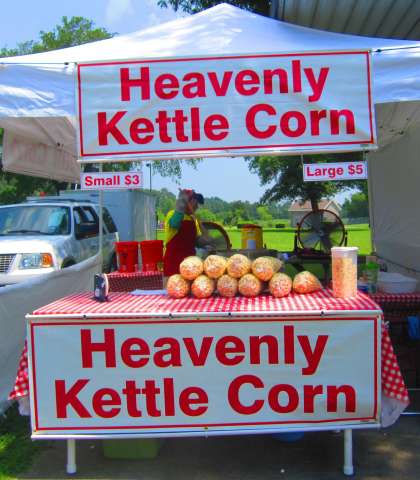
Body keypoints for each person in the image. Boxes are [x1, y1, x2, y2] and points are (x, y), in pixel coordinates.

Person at [163, 189, 213, 277]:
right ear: (187, 202)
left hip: (190, 267)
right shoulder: (172, 214)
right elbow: (174, 224)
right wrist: (181, 202)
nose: (197, 206)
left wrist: (204, 242)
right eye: (195, 202)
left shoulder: (193, 220)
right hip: (173, 265)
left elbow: (195, 241)